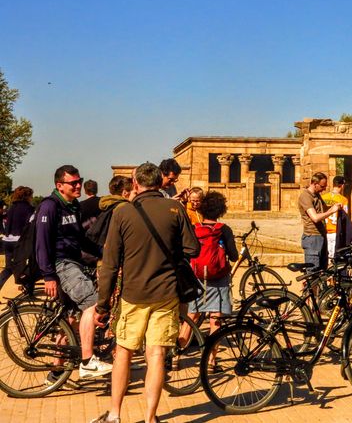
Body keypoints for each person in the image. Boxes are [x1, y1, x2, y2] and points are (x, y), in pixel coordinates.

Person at [92, 162, 200, 423]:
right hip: (166, 293)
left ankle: (115, 414)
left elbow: (110, 264)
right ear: (160, 181)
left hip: (133, 294)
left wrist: (102, 305)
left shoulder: (123, 212)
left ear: (135, 182)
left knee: (124, 352)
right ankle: (150, 417)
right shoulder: (175, 208)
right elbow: (193, 249)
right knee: (157, 354)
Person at [35, 165, 110, 379]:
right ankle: (87, 361)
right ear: (60, 185)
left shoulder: (74, 206)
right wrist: (48, 275)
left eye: (80, 181)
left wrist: (102, 252)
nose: (78, 185)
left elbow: (80, 238)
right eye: (73, 183)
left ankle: (56, 370)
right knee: (92, 304)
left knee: (71, 320)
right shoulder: (50, 206)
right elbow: (41, 243)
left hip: (75, 262)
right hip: (62, 264)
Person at [181, 191, 237, 365]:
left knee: (192, 317)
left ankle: (176, 355)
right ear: (221, 210)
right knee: (215, 319)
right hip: (219, 279)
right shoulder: (224, 230)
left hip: (197, 278)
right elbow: (234, 256)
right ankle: (212, 361)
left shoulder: (194, 229)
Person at [298, 172, 340, 270]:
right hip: (312, 238)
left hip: (321, 235)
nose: (324, 189)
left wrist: (335, 207)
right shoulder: (305, 196)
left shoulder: (317, 195)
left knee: (323, 271)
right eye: (322, 186)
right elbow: (315, 218)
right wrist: (332, 211)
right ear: (315, 184)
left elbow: (324, 210)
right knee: (313, 274)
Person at [0, 186, 34, 291]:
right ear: (27, 196)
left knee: (8, 268)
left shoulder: (11, 208)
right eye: (31, 196)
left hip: (7, 241)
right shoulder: (29, 209)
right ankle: (28, 289)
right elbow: (31, 226)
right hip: (20, 243)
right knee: (29, 266)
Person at [322, 176, 349, 261]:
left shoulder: (323, 197)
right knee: (335, 260)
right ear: (342, 185)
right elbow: (345, 217)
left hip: (324, 231)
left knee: (326, 258)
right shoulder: (343, 200)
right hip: (336, 232)